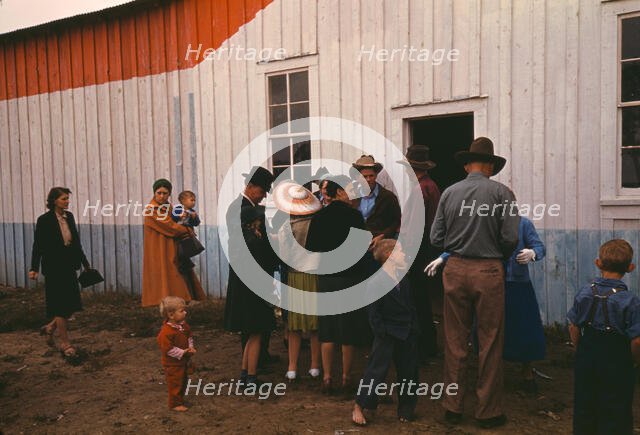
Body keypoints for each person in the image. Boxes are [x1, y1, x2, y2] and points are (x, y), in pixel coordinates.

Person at [430, 137, 519, 428]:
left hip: (454, 268)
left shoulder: (449, 193)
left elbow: (435, 238)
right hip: (488, 270)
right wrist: (494, 254)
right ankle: (487, 410)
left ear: (468, 165)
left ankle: (452, 405)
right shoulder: (503, 194)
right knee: (490, 340)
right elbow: (510, 238)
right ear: (491, 166)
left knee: (454, 339)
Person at [427, 216, 546, 393]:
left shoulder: (523, 224)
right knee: (487, 326)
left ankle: (527, 372)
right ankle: (489, 374)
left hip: (517, 283)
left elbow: (540, 247)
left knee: (523, 326)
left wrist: (533, 253)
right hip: (489, 281)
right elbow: (463, 245)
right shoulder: (483, 224)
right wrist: (443, 257)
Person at [306, 175, 372, 394]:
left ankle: (326, 378)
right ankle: (345, 377)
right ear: (341, 192)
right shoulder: (355, 216)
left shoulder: (319, 217)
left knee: (327, 329)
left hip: (327, 278)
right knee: (348, 330)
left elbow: (311, 248)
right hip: (350, 277)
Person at [567, 239, 640, 435]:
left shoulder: (584, 293)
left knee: (585, 402)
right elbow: (637, 340)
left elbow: (573, 326)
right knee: (616, 405)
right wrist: (634, 360)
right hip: (617, 359)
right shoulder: (630, 301)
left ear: (598, 263)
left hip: (587, 354)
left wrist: (578, 349)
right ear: (630, 268)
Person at [352, 239, 419, 425]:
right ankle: (361, 404)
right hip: (387, 332)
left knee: (409, 371)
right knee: (376, 371)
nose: (405, 255)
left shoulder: (404, 279)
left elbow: (411, 306)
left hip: (406, 331)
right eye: (401, 252)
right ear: (389, 256)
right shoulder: (377, 282)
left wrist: (414, 328)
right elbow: (373, 312)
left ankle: (406, 408)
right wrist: (381, 332)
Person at [223, 166, 278, 386]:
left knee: (251, 329)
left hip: (245, 275)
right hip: (252, 276)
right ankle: (251, 377)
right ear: (251, 186)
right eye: (263, 190)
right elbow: (256, 245)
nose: (264, 194)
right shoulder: (245, 210)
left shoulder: (244, 207)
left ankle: (246, 375)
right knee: (256, 328)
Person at [29, 187, 91, 358]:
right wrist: (34, 268)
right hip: (54, 268)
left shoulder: (69, 217)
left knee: (71, 305)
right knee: (60, 306)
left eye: (67, 199)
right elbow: (38, 245)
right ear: (54, 200)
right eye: (64, 199)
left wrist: (85, 264)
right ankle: (65, 344)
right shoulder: (44, 220)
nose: (67, 201)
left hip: (69, 265)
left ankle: (50, 327)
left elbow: (76, 242)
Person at [273, 181, 323, 382]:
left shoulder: (285, 227)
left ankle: (292, 367)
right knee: (314, 325)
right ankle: (314, 366)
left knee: (293, 324)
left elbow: (283, 255)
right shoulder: (317, 224)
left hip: (293, 276)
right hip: (312, 275)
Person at [397, 144, 441, 361]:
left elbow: (414, 227)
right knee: (422, 297)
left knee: (416, 298)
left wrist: (404, 251)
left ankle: (423, 346)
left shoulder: (419, 190)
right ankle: (428, 343)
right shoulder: (431, 186)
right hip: (428, 246)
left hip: (418, 247)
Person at [141, 179, 206, 307]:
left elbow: (178, 221)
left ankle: (182, 298)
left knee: (178, 269)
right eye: (158, 193)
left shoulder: (169, 207)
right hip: (158, 248)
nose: (161, 196)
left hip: (171, 246)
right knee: (166, 271)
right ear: (154, 193)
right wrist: (186, 229)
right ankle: (166, 299)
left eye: (165, 193)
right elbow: (170, 226)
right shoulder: (151, 209)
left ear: (169, 194)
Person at [157, 296, 196, 412]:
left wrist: (190, 347)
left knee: (183, 381)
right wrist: (182, 352)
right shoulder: (166, 332)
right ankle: (174, 404)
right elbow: (167, 349)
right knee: (175, 383)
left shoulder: (184, 326)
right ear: (171, 315)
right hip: (172, 364)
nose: (185, 312)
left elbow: (189, 336)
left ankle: (180, 399)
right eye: (181, 311)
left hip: (183, 361)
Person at [352, 155, 401, 245]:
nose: (368, 179)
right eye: (364, 177)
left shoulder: (388, 197)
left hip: (379, 244)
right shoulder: (352, 196)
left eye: (371, 176)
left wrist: (383, 235)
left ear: (376, 175)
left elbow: (396, 221)